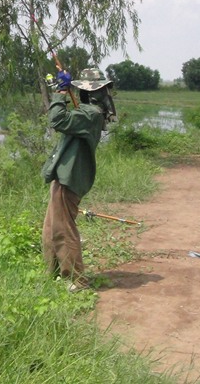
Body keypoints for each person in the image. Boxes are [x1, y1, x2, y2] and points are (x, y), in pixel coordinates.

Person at [41, 67, 116, 291]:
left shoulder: (90, 115)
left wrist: (61, 92)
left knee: (64, 230)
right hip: (65, 176)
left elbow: (57, 120)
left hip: (70, 177)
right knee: (51, 228)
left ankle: (77, 280)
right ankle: (53, 272)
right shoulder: (89, 113)